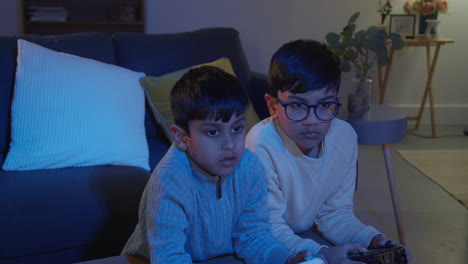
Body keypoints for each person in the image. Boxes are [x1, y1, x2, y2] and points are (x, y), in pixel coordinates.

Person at [122, 66, 314, 264]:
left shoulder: (249, 166)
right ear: (181, 137)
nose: (230, 145)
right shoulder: (169, 179)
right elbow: (169, 257)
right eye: (213, 132)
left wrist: (287, 260)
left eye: (237, 128)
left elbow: (252, 235)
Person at [245, 40, 411, 264]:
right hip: (265, 236)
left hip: (296, 234)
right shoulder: (260, 144)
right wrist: (321, 253)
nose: (312, 121)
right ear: (273, 106)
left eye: (324, 105)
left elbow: (336, 213)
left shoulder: (344, 137)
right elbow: (266, 227)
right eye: (297, 105)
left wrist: (371, 238)